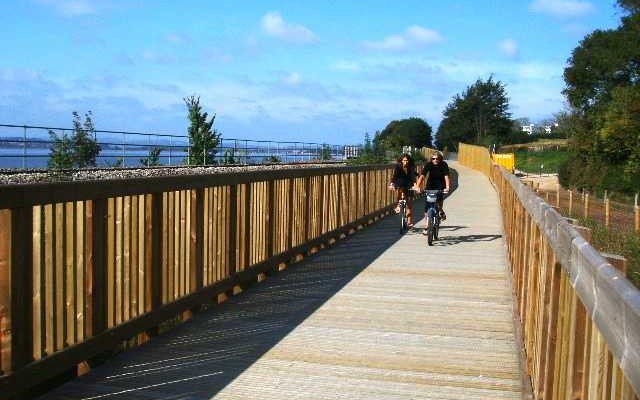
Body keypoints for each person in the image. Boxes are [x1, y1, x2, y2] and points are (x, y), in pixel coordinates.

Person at [414, 151, 451, 232]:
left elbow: (446, 176)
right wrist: (417, 186)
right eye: (433, 158)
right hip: (430, 186)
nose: (435, 160)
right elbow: (422, 176)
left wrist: (447, 187)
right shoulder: (429, 164)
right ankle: (427, 225)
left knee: (439, 202)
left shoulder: (443, 164)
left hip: (441, 186)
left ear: (440, 159)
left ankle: (440, 211)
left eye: (437, 158)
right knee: (428, 206)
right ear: (431, 159)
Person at [389, 153, 417, 228]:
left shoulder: (411, 167)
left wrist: (415, 185)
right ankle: (398, 205)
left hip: (409, 183)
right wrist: (392, 184)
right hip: (401, 182)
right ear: (401, 161)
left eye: (407, 160)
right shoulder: (398, 166)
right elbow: (395, 176)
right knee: (400, 190)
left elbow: (413, 176)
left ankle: (409, 222)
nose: (406, 162)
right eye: (404, 160)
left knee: (409, 204)